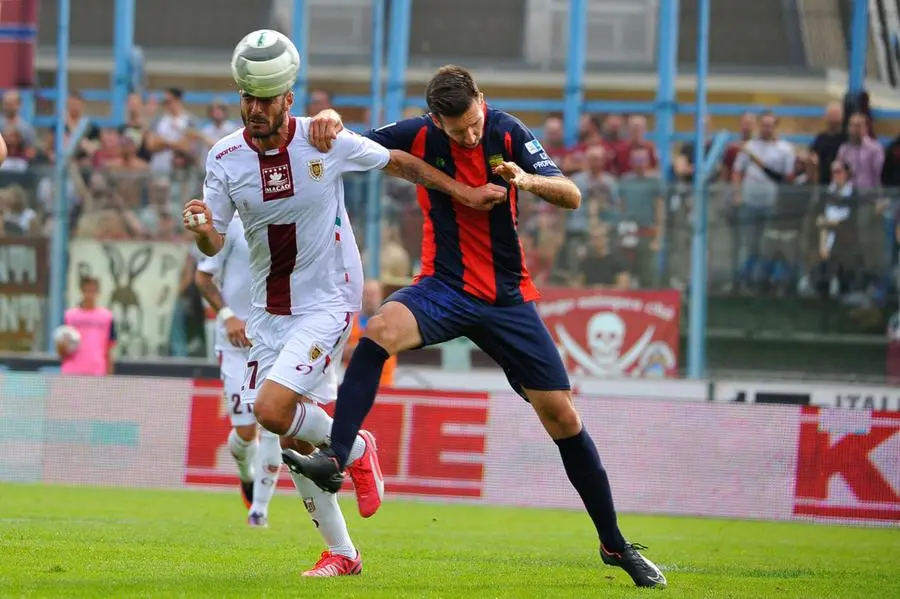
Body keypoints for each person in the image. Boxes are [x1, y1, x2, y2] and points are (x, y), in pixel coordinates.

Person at [291, 64, 667, 589]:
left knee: (562, 417)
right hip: (443, 287)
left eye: (473, 123)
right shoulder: (418, 134)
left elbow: (571, 194)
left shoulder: (507, 131)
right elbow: (346, 142)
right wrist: (329, 116)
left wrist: (526, 179)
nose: (469, 136)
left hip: (507, 299)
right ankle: (338, 455)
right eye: (457, 130)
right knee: (378, 332)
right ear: (435, 121)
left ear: (481, 101)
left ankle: (614, 544)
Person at [182, 31, 504, 577]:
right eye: (248, 98)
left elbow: (399, 162)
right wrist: (201, 230)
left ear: (288, 98)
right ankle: (344, 554)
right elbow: (213, 242)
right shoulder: (225, 157)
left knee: (270, 411)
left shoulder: (323, 139)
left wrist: (465, 192)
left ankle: (355, 449)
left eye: (267, 99)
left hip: (328, 301)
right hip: (269, 311)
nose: (255, 109)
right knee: (288, 433)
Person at [195, 213, 281, 527]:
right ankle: (246, 473)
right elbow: (203, 278)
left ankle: (259, 511)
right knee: (245, 432)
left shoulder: (293, 217)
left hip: (275, 339)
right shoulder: (233, 223)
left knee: (273, 423)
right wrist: (228, 316)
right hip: (235, 343)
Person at [59, 276, 116, 376]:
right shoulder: (69, 316)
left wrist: (110, 373)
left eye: (93, 290)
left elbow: (109, 348)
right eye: (87, 290)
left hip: (97, 371)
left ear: (98, 292)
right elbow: (61, 347)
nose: (90, 294)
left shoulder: (107, 317)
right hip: (72, 372)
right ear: (82, 291)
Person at [344, 280, 397, 387]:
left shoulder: (389, 321)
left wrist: (356, 349)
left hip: (383, 386)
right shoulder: (350, 323)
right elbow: (341, 352)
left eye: (373, 294)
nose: (369, 299)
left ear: (381, 296)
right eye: (366, 294)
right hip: (354, 384)